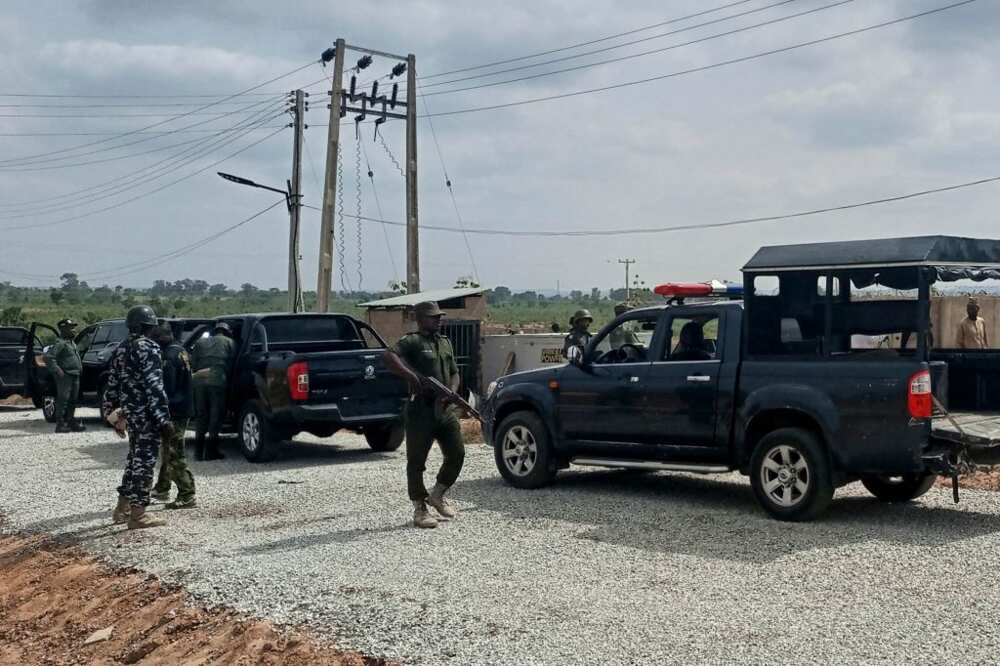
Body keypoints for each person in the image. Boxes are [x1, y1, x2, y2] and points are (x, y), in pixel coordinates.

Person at [384, 301, 465, 529]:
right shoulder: (412, 341)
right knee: (417, 461)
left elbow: (454, 372)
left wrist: (452, 393)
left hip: (445, 409)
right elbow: (389, 357)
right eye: (433, 317)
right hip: (420, 410)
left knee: (457, 453)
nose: (438, 320)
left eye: (439, 316)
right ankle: (420, 507)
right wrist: (412, 378)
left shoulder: (445, 342)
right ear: (420, 319)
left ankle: (437, 495)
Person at [103, 305, 172, 530]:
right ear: (146, 326)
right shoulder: (148, 348)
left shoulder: (121, 348)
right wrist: (163, 419)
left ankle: (121, 509)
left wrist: (111, 415)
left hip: (130, 415)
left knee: (134, 461)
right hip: (146, 417)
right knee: (144, 464)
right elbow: (154, 386)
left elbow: (111, 385)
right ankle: (138, 515)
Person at [149, 324, 197, 510]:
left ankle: (187, 493)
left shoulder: (168, 357)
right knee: (167, 450)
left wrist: (160, 411)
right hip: (182, 407)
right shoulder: (180, 351)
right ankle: (162, 487)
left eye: (155, 337)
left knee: (174, 452)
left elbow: (166, 389)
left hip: (174, 411)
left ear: (163, 337)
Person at [191, 321, 235, 461]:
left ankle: (198, 453)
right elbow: (233, 363)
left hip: (199, 382)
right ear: (227, 332)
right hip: (217, 381)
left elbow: (193, 364)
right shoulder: (230, 342)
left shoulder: (200, 342)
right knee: (215, 416)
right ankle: (211, 451)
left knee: (201, 415)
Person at [45, 318, 85, 433]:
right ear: (63, 329)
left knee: (73, 399)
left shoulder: (71, 342)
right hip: (66, 376)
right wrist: (57, 370)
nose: (74, 330)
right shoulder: (60, 343)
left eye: (74, 327)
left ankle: (71, 421)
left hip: (75, 374)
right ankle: (60, 424)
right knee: (63, 399)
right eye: (71, 328)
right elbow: (48, 357)